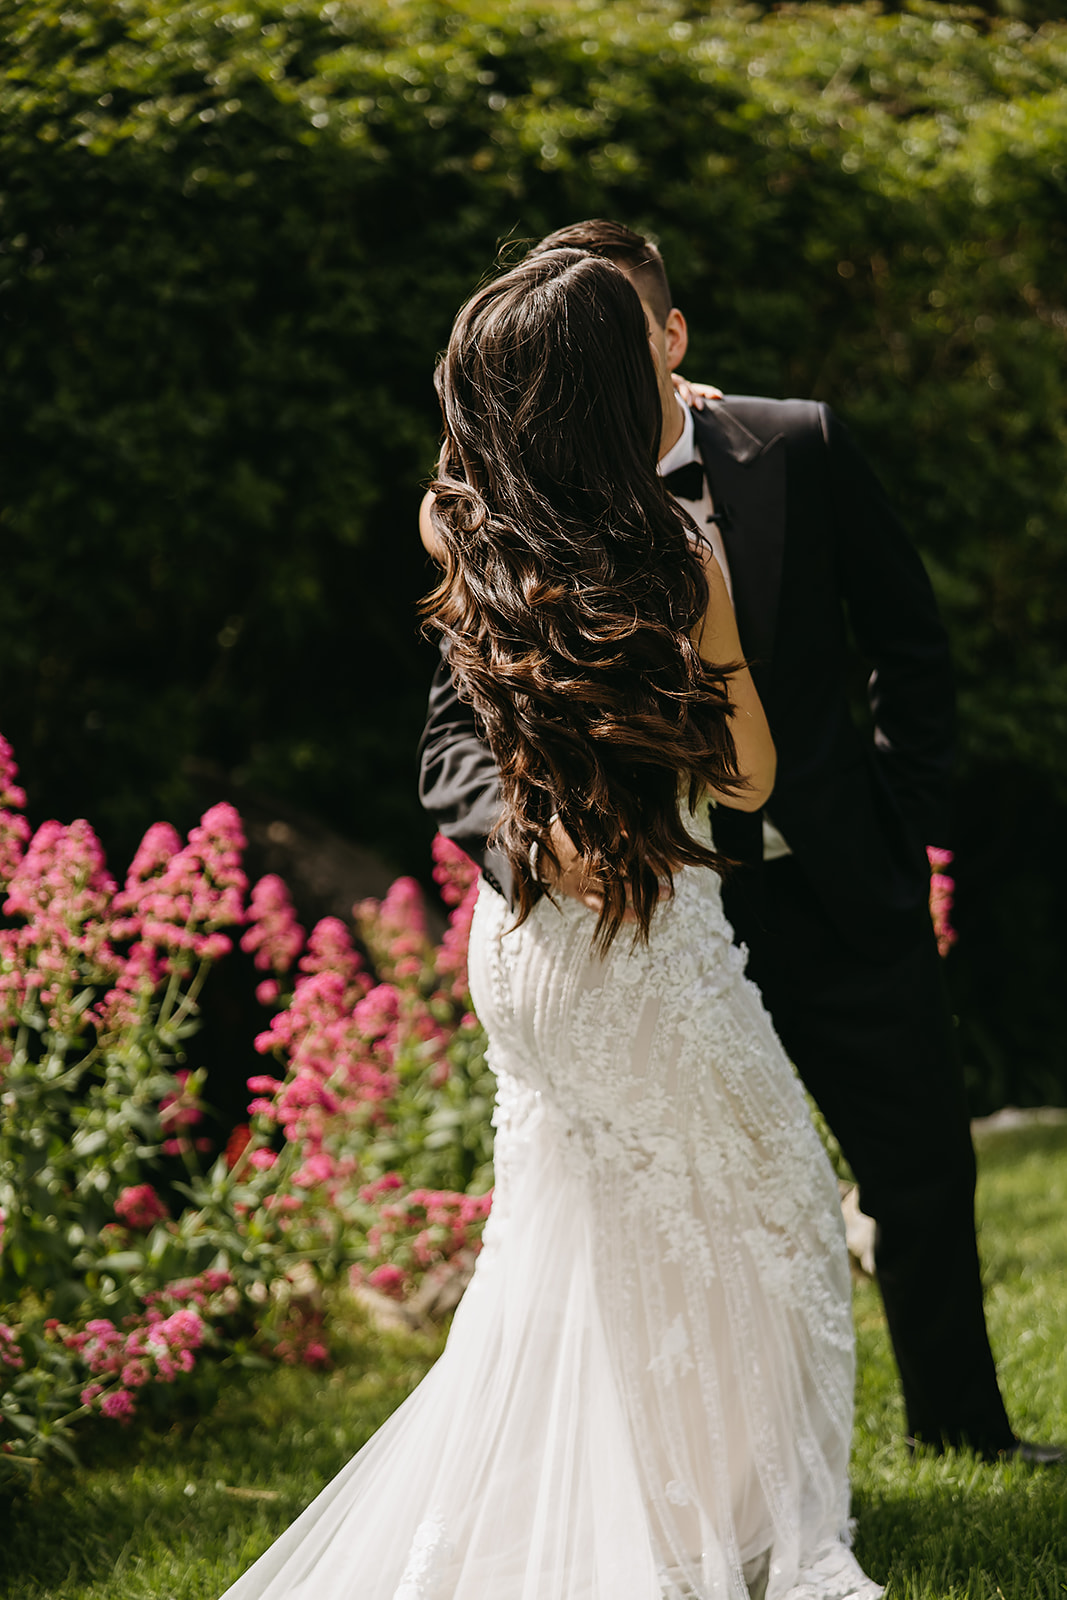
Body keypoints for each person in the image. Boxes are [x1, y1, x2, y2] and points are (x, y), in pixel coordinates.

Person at [220, 249, 883, 1599]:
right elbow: (745, 779)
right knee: (775, 1209)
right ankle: (747, 1528)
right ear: (607, 389)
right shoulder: (678, 558)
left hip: (520, 948)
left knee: (574, 1236)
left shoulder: (456, 530)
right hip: (641, 950)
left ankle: (599, 1506)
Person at [419, 220, 1065, 1468]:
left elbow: (907, 644)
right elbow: (454, 732)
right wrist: (533, 849)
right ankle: (689, 1469)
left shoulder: (794, 445)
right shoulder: (510, 501)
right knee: (688, 1204)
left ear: (670, 337)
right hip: (642, 923)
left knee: (918, 1163)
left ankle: (962, 1431)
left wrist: (894, 819)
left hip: (823, 878)